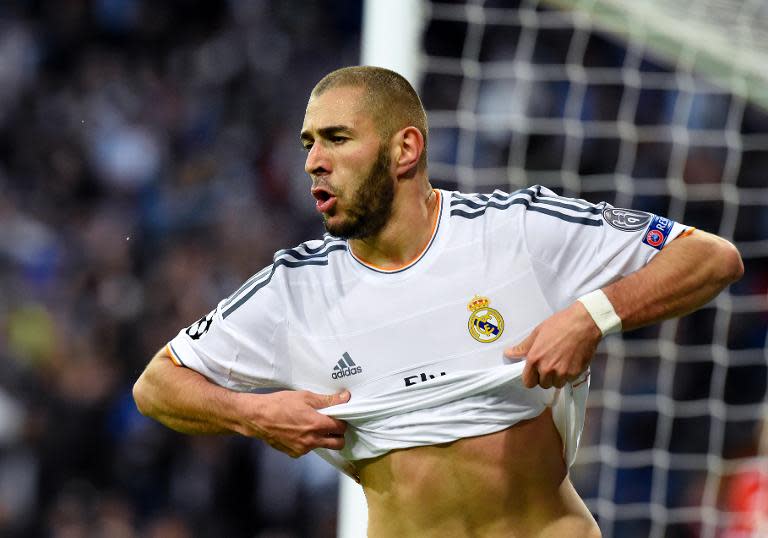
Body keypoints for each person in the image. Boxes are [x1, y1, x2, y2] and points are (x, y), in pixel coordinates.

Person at [133, 66, 744, 537]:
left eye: (336, 139)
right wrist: (256, 415)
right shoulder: (295, 287)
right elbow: (157, 384)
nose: (314, 162)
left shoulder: (515, 230)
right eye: (307, 144)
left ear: (405, 149)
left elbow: (709, 256)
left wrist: (591, 316)